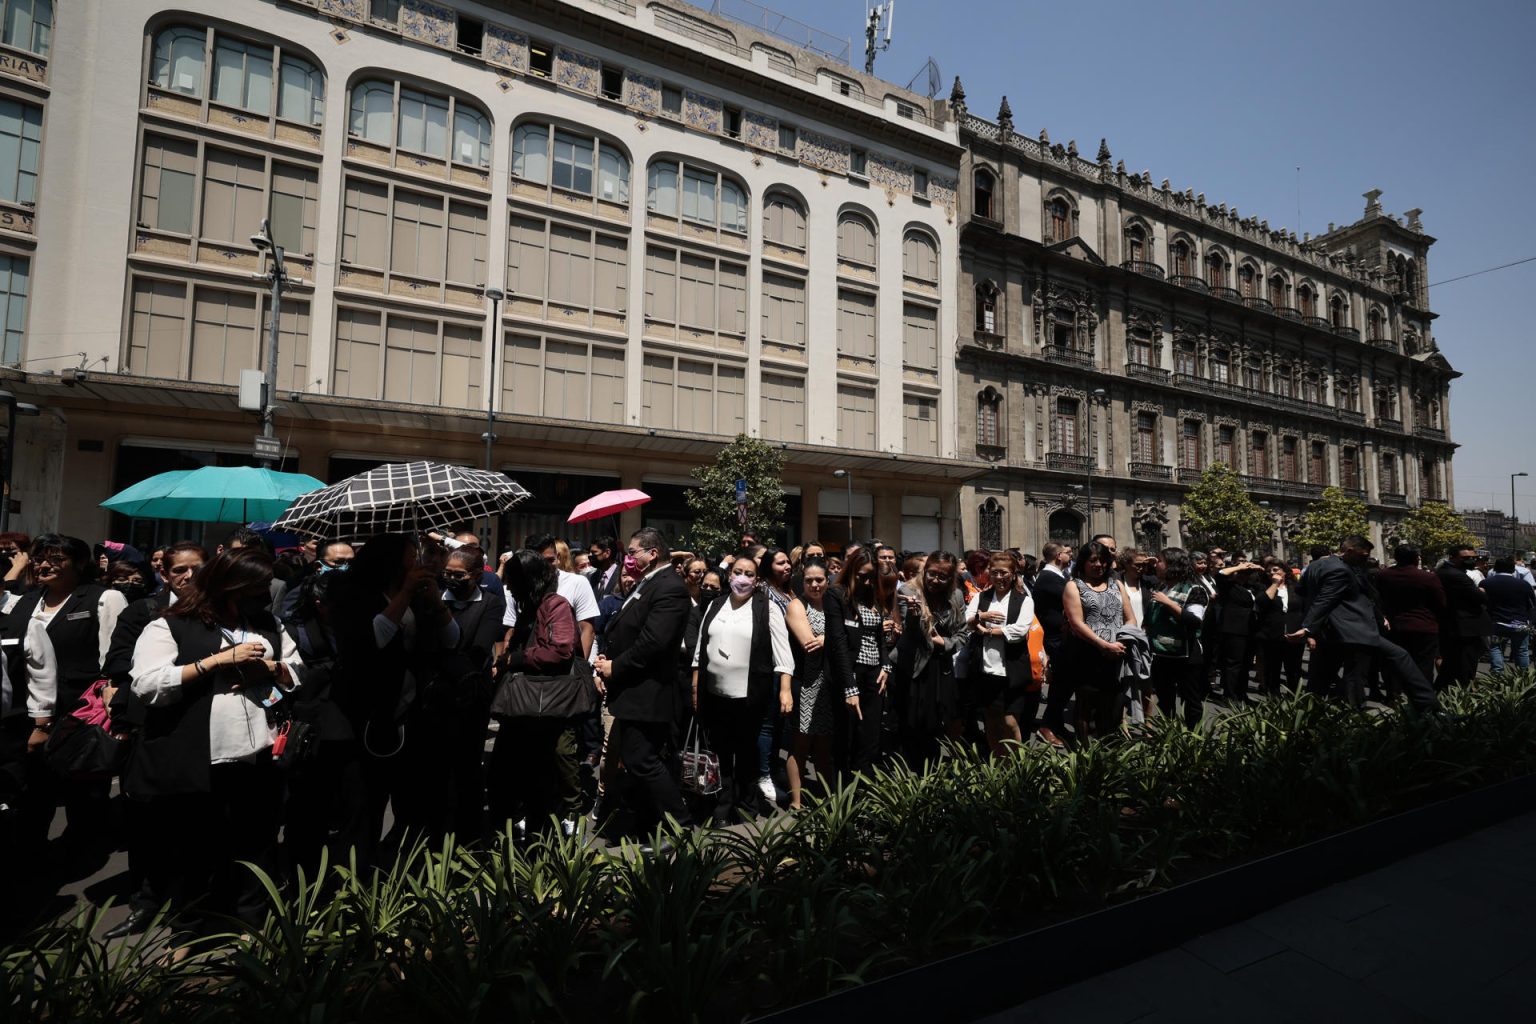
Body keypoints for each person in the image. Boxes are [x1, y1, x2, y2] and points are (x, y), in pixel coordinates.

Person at [127, 547, 303, 939]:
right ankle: (187, 930)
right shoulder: (170, 625)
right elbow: (148, 685)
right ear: (229, 585)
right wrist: (213, 663)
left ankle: (248, 923)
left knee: (255, 844)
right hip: (198, 757)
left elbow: (297, 668)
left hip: (259, 753)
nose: (262, 594)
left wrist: (273, 668)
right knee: (193, 848)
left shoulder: (267, 623)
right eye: (254, 587)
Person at [329, 534, 461, 865]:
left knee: (414, 804)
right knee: (364, 806)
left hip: (414, 715)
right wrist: (403, 594)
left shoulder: (420, 595)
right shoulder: (352, 593)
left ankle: (403, 876)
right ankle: (353, 882)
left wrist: (434, 601)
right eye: (409, 558)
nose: (416, 564)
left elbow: (451, 639)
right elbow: (373, 639)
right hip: (368, 715)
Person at [6, 533, 128, 870]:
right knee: (34, 791)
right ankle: (30, 859)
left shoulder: (104, 599)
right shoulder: (25, 600)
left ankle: (81, 856)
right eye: (40, 558)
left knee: (83, 793)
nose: (44, 565)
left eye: (56, 559)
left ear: (78, 564)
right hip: (28, 713)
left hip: (81, 714)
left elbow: (113, 657)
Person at [595, 528, 694, 839]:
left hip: (648, 692)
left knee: (643, 760)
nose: (628, 559)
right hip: (632, 691)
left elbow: (653, 642)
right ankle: (646, 825)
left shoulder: (669, 588)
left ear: (653, 554)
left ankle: (681, 825)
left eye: (634, 552)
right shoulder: (647, 584)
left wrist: (616, 666)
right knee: (637, 760)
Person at [693, 554, 794, 823]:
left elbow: (783, 652)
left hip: (750, 696)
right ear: (729, 575)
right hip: (715, 696)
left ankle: (746, 805)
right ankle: (722, 807)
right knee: (721, 753)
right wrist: (695, 686)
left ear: (757, 580)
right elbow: (700, 649)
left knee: (747, 752)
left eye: (750, 574)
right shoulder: (715, 604)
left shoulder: (767, 607)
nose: (743, 578)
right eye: (738, 572)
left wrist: (785, 688)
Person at [1289, 535, 1438, 711]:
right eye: (1363, 555)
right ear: (1350, 551)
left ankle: (1307, 717)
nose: (1366, 559)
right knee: (1399, 656)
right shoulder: (1341, 570)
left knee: (1321, 678)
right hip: (1353, 630)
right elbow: (1326, 599)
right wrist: (1308, 627)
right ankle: (1429, 707)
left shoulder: (1315, 566)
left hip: (1330, 632)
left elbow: (1303, 592)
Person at [492, 551, 583, 838]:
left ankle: (543, 835)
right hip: (523, 706)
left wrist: (517, 658)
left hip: (543, 705)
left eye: (514, 581)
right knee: (511, 773)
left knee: (541, 774)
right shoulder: (530, 607)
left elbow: (560, 649)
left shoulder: (555, 605)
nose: (509, 587)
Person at [434, 546, 507, 841]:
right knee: (436, 766)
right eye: (447, 573)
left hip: (470, 695)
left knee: (467, 765)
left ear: (477, 575)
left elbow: (479, 648)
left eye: (459, 574)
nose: (452, 579)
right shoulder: (435, 599)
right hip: (434, 696)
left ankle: (470, 833)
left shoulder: (490, 603)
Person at [889, 550, 969, 766]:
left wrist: (945, 643)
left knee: (937, 723)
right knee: (911, 723)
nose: (935, 580)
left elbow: (962, 634)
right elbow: (911, 633)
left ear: (951, 577)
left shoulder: (956, 595)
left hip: (940, 666)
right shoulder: (908, 591)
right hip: (912, 665)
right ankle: (908, 773)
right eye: (932, 574)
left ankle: (930, 773)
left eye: (942, 576)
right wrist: (915, 617)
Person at [964, 550, 1039, 754]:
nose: (999, 577)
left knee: (1009, 720)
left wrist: (988, 630)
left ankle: (1015, 761)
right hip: (985, 667)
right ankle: (997, 759)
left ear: (1013, 574)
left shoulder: (1023, 600)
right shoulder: (981, 597)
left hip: (1011, 669)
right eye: (995, 572)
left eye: (1004, 573)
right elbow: (967, 620)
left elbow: (1020, 631)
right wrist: (981, 616)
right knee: (990, 716)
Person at [1061, 540, 1134, 740]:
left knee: (1112, 706)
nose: (1098, 564)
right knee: (1086, 707)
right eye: (1093, 560)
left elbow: (1130, 617)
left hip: (1117, 653)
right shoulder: (1074, 586)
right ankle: (1086, 754)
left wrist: (1123, 641)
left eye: (1103, 560)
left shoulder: (1116, 584)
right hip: (1087, 654)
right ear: (1083, 562)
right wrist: (1104, 645)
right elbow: (1077, 623)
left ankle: (1108, 748)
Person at [834, 548, 896, 774]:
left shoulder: (872, 594)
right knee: (847, 735)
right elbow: (838, 642)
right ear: (851, 570)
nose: (866, 580)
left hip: (875, 672)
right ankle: (843, 791)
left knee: (870, 735)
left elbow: (880, 636)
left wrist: (886, 665)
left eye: (871, 576)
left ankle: (864, 789)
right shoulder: (838, 594)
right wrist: (849, 685)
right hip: (851, 671)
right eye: (861, 575)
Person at [1143, 547, 1210, 727]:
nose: (1156, 564)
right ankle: (1169, 736)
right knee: (1165, 700)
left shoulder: (1195, 589)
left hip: (1186, 656)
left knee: (1191, 700)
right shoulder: (1161, 587)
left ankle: (1192, 738)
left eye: (1160, 561)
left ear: (1173, 565)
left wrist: (1169, 603)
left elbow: (1195, 621)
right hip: (1161, 655)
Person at [512, 534, 601, 661]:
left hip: (566, 673)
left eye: (550, 560)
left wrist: (579, 669)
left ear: (558, 557)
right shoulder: (521, 587)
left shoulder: (577, 583)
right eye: (540, 561)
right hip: (527, 669)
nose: (546, 566)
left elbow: (587, 630)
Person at [1374, 545, 1446, 691]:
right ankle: (1423, 696)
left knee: (1395, 662)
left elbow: (1377, 599)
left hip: (1395, 625)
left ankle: (1395, 695)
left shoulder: (1383, 575)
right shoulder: (1428, 577)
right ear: (1415, 558)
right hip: (1424, 626)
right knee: (1424, 664)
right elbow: (1441, 603)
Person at [1034, 541, 1073, 748]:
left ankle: (1055, 722)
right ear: (1059, 556)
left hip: (1061, 637)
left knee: (1065, 682)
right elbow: (1073, 596)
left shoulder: (1057, 576)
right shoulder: (1049, 577)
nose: (1071, 554)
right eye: (1068, 552)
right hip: (1054, 638)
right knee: (1061, 683)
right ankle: (1047, 725)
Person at [1436, 544, 1492, 689]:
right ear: (1452, 557)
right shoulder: (1456, 575)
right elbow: (1480, 597)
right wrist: (1482, 592)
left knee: (1453, 665)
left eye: (1473, 557)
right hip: (1464, 627)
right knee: (1464, 665)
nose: (1471, 560)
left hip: (1458, 625)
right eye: (1466, 558)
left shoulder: (1449, 572)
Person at [1256, 559, 1304, 696]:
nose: (1272, 573)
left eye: (1276, 570)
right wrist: (1275, 584)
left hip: (1294, 636)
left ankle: (1294, 700)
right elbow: (1262, 602)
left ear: (1284, 571)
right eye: (1269, 571)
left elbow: (1304, 609)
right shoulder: (1263, 587)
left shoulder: (1296, 587)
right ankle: (1274, 701)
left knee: (1294, 671)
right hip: (1271, 636)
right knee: (1272, 671)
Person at [1482, 557, 1534, 672]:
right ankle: (1523, 676)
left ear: (1495, 568)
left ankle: (1497, 673)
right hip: (1520, 623)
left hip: (1496, 622)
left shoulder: (1486, 583)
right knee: (1521, 650)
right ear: (1513, 570)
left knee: (1495, 648)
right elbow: (1531, 603)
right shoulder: (1524, 584)